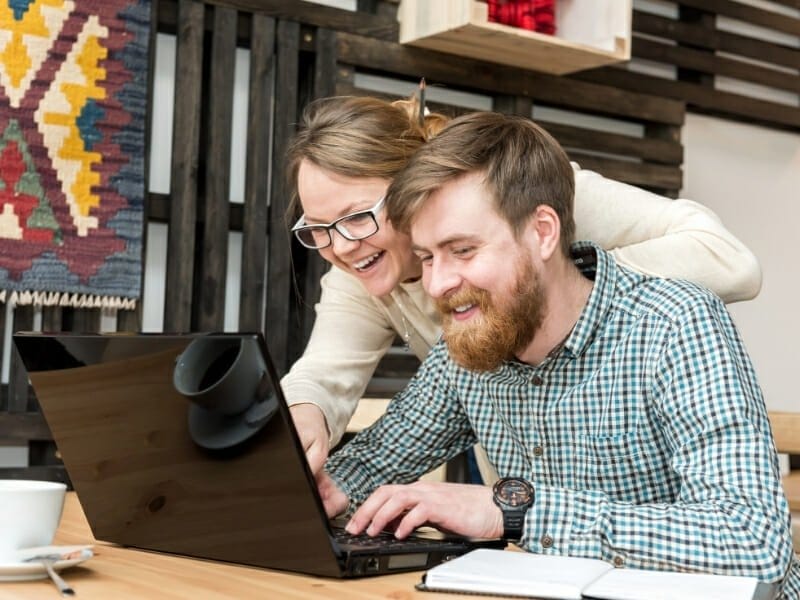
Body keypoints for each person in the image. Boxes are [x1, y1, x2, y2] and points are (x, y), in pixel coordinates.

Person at [317, 111, 799, 597]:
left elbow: (752, 540)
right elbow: (364, 469)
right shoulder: (468, 348)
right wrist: (310, 492)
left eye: (462, 250)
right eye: (427, 257)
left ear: (543, 233)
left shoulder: (675, 325)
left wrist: (510, 509)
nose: (438, 284)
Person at [283, 94, 763, 476]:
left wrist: (551, 281)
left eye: (357, 218)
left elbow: (730, 262)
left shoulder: (520, 193)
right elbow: (325, 376)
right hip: (521, 500)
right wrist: (304, 415)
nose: (340, 247)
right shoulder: (362, 272)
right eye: (318, 228)